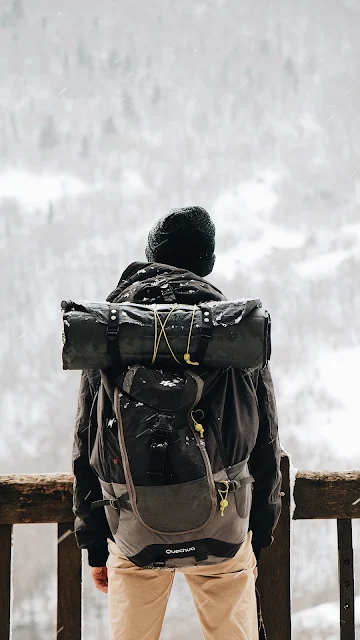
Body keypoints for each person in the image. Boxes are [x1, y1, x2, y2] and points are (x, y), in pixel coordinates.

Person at [72, 206, 282, 640]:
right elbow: (264, 440)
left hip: (131, 531)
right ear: (206, 263)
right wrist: (258, 534)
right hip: (225, 528)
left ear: (153, 256)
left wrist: (95, 545)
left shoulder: (113, 332)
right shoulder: (233, 333)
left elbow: (86, 444)